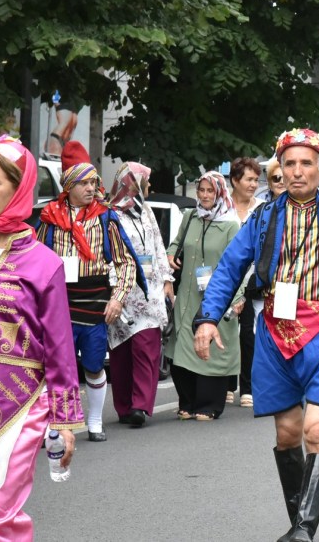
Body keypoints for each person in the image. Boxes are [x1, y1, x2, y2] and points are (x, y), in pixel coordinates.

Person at [194, 128, 319, 542]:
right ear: (279, 169)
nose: (298, 172)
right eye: (290, 164)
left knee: (316, 430)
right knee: (286, 434)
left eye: (306, 164)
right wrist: (208, 318)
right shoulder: (265, 216)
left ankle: (303, 528)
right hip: (274, 333)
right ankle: (300, 523)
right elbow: (231, 267)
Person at [0, 137, 83, 540]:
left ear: (18, 190)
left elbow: (61, 348)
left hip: (21, 404)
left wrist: (65, 420)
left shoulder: (43, 263)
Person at [36, 142, 145, 442]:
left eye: (93, 182)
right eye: (83, 182)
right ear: (68, 185)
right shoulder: (48, 220)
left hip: (96, 305)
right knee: (57, 368)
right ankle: (57, 425)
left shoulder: (105, 218)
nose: (90, 188)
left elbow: (124, 263)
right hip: (59, 306)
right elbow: (36, 262)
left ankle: (95, 421)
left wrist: (118, 299)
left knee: (95, 366)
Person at [167, 172, 242, 421]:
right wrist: (170, 256)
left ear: (220, 193)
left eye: (211, 191)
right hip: (187, 295)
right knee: (184, 346)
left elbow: (240, 264)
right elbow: (175, 243)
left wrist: (238, 298)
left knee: (213, 348)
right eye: (201, 190)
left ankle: (209, 403)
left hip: (216, 298)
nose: (206, 195)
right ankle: (187, 401)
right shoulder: (190, 216)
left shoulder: (231, 224)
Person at [107, 162, 173, 428]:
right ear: (131, 182)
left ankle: (140, 406)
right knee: (121, 353)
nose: (148, 185)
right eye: (144, 180)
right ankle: (123, 406)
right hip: (122, 291)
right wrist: (114, 287)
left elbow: (157, 245)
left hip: (149, 291)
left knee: (147, 348)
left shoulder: (145, 211)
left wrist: (167, 279)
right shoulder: (109, 215)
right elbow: (107, 253)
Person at [228, 158, 265, 408]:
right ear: (235, 180)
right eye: (249, 179)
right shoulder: (222, 208)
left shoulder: (262, 208)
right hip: (227, 278)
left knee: (249, 334)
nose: (253, 184)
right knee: (225, 329)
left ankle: (247, 386)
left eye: (256, 180)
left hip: (253, 280)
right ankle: (227, 383)